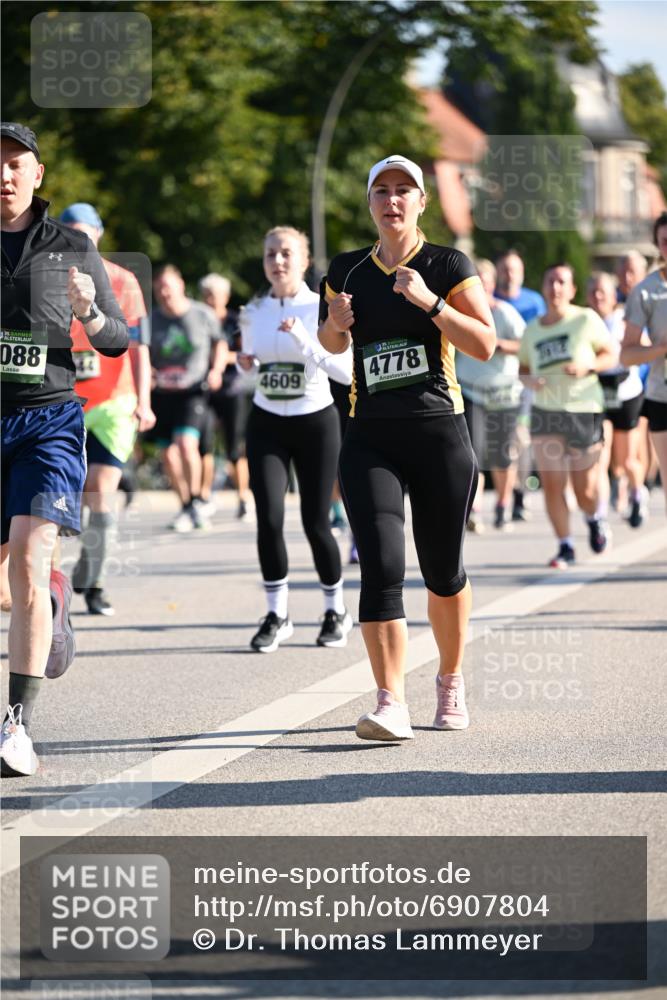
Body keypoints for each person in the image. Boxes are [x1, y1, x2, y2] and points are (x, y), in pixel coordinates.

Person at [318, 154, 495, 741]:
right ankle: (390, 700)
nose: (392, 200)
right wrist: (336, 324)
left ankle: (449, 680)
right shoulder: (346, 270)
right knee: (381, 568)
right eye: (382, 191)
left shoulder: (447, 264)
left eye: (404, 191)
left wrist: (431, 303)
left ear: (422, 202)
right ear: (369, 202)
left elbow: (486, 344)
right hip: (370, 436)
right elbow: (330, 341)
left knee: (443, 572)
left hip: (439, 433)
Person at [1, 123, 128, 776]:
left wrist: (90, 312)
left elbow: (116, 339)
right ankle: (52, 602)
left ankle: (17, 724)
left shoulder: (70, 246)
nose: (4, 174)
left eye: (15, 164)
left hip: (48, 421)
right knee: (15, 579)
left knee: (30, 553)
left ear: (38, 174)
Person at [238, 226, 353, 652]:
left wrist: (306, 342)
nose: (278, 261)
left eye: (286, 253)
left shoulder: (320, 308)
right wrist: (244, 363)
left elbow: (345, 373)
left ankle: (335, 609)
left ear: (304, 261)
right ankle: (277, 613)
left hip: (315, 421)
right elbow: (250, 369)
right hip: (267, 421)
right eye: (270, 254)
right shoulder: (252, 310)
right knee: (268, 519)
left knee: (315, 521)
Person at [60, 202, 155, 615]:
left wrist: (145, 402)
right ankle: (84, 561)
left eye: (86, 233)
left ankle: (95, 582)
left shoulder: (124, 280)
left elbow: (140, 346)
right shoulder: (45, 279)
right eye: (71, 233)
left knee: (102, 491)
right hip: (67, 399)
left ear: (98, 235)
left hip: (116, 399)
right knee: (73, 494)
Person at [518, 263, 616, 568]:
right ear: (543, 287)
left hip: (583, 408)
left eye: (562, 282)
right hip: (546, 411)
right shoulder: (532, 329)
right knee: (551, 483)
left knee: (583, 488)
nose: (556, 287)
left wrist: (588, 368)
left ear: (572, 290)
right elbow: (523, 367)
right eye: (550, 281)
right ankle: (565, 545)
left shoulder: (586, 319)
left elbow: (610, 355)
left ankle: (593, 516)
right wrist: (529, 380)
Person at [148, 264, 226, 531]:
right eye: (159, 289)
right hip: (162, 393)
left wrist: (216, 370)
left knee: (186, 445)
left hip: (193, 392)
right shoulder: (152, 320)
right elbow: (141, 353)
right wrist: (147, 371)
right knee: (168, 455)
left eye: (168, 286)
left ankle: (196, 501)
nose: (164, 293)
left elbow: (220, 344)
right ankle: (185, 505)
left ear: (181, 285)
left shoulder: (202, 314)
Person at [457, 258, 525, 531]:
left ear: (492, 285)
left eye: (485, 282)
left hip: (503, 393)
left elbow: (525, 344)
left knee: (501, 455)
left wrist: (496, 344)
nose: (481, 287)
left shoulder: (505, 313)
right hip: (471, 390)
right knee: (472, 452)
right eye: (476, 282)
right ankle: (474, 508)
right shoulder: (460, 311)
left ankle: (502, 504)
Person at [586, 271, 647, 526]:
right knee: (600, 457)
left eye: (603, 291)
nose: (598, 296)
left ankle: (636, 493)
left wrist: (629, 353)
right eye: (593, 292)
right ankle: (599, 514)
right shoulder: (584, 321)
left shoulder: (625, 319)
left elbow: (644, 348)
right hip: (596, 393)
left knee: (626, 461)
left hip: (625, 391)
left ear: (613, 295)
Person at [495, 248, 546, 522]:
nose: (509, 274)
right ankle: (510, 494)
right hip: (497, 381)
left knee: (522, 439)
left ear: (522, 272)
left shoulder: (534, 301)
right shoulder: (489, 300)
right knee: (505, 443)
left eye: (513, 269)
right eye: (504, 268)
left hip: (526, 380)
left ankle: (520, 493)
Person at [621, 213, 667, 513]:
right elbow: (627, 354)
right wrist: (661, 348)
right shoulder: (646, 291)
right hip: (662, 395)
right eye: (665, 241)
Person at [198, 273, 252, 520]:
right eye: (206, 295)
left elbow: (244, 353)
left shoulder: (235, 321)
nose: (210, 300)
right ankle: (204, 495)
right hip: (205, 389)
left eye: (215, 295)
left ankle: (243, 497)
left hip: (232, 387)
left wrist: (218, 361)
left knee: (233, 448)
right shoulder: (197, 320)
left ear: (225, 297)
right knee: (203, 445)